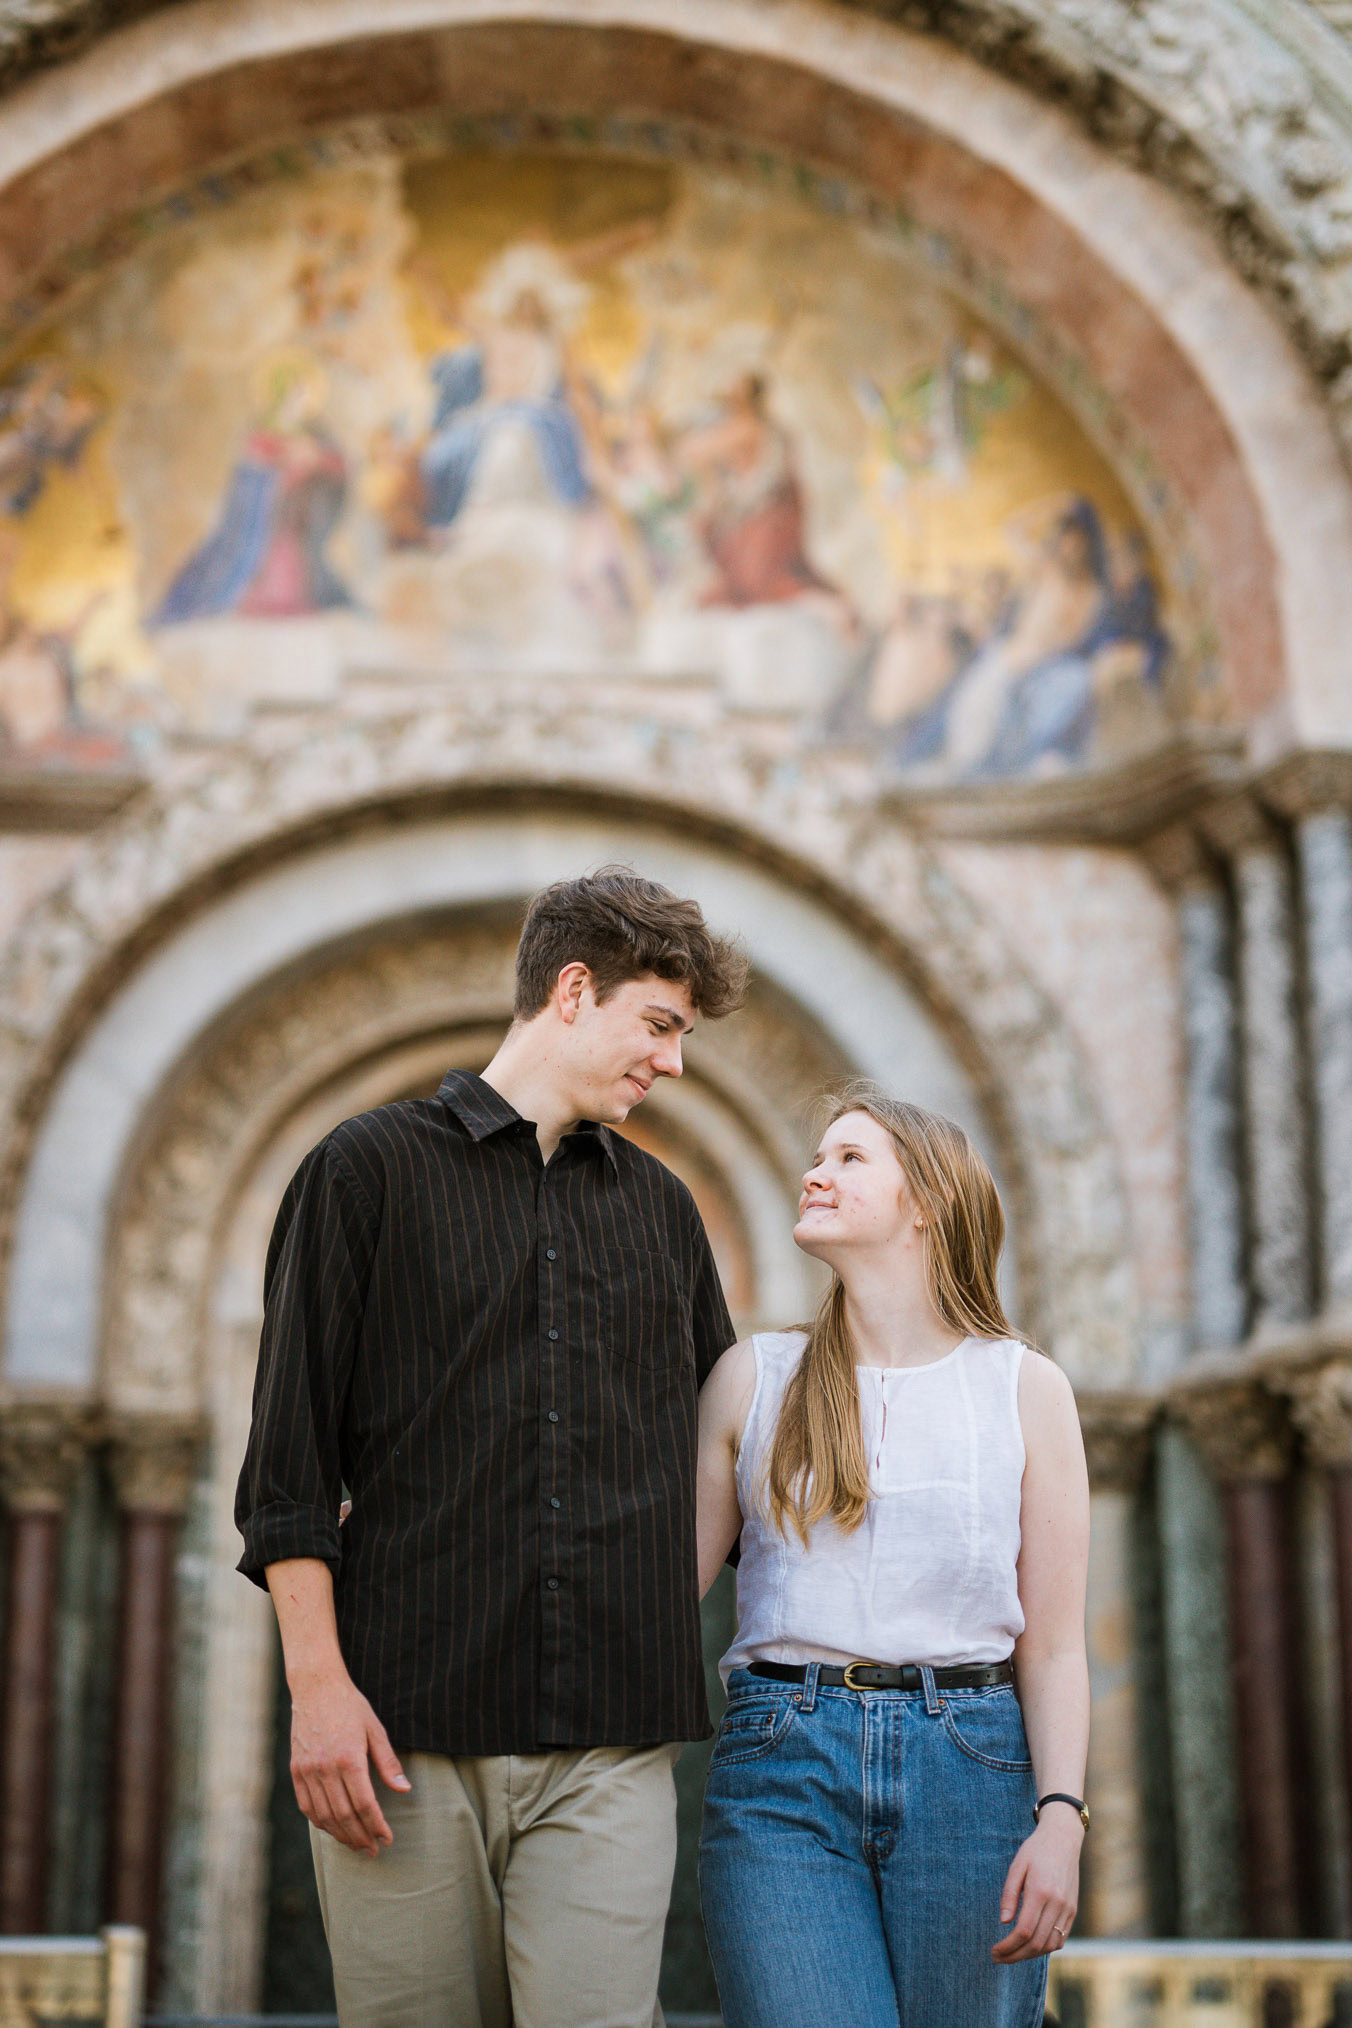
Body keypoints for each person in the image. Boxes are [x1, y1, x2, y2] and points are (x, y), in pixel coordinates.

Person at [235, 866, 747, 2028]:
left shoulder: (664, 1211)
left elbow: (727, 1444)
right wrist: (318, 1695)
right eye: (658, 1026)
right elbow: (287, 1473)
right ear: (573, 989)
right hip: (400, 1732)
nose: (672, 1063)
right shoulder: (361, 1172)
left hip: (610, 1739)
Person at [695, 1085, 1089, 2028]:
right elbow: (656, 1591)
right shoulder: (754, 1377)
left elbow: (1056, 1645)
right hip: (780, 1765)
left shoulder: (1025, 1389)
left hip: (974, 1764)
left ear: (927, 1204)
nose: (814, 1174)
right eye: (817, 1155)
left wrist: (1062, 1819)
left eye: (848, 1158)